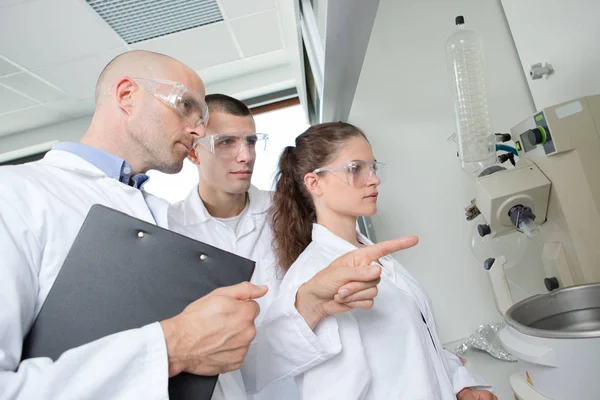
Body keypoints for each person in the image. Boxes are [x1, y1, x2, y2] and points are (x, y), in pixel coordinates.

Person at [0, 51, 415, 399]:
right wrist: (169, 348)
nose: (198, 128)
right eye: (185, 107)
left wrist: (310, 305)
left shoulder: (158, 216)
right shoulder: (17, 195)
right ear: (127, 95)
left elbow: (230, 369)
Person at [168, 94, 398, 399]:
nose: (245, 156)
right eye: (226, 143)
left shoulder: (290, 208)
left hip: (317, 383)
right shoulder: (170, 229)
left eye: (250, 141)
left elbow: (384, 302)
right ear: (194, 152)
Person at [266, 122, 497, 400]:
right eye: (355, 169)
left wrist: (460, 383)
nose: (373, 179)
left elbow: (414, 345)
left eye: (373, 167)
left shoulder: (370, 253)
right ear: (314, 183)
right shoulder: (315, 278)